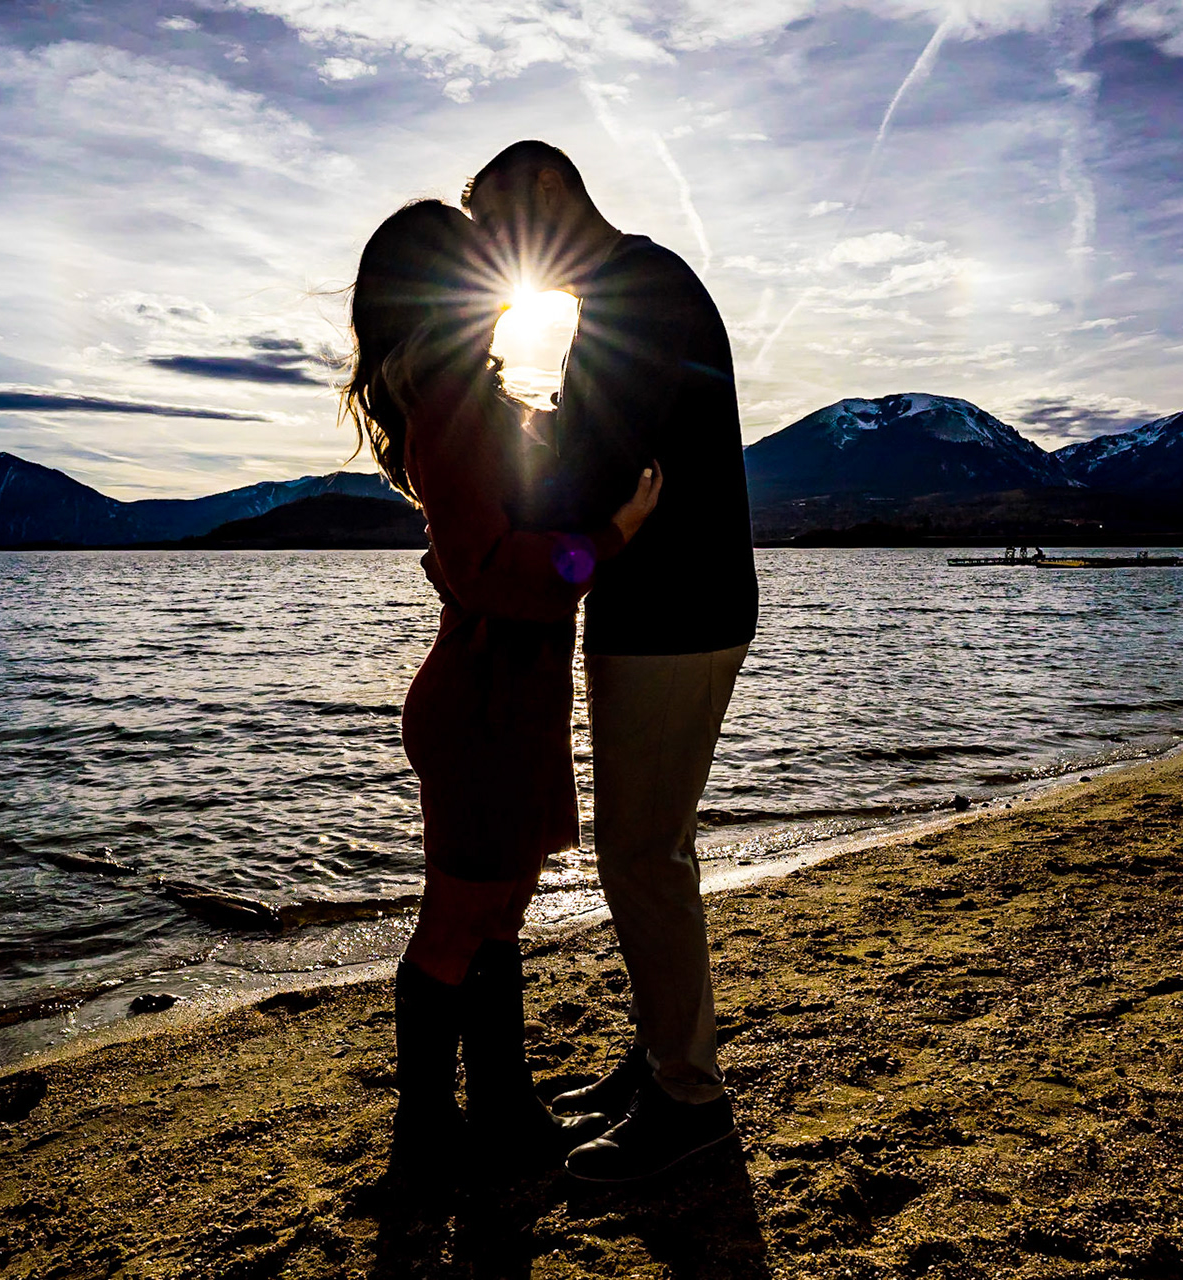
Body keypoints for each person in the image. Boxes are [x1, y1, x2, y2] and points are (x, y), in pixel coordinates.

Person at [341, 199, 663, 1180]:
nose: (494, 270)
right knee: (457, 916)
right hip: (481, 703)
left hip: (508, 697)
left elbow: (487, 541)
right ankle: (427, 1140)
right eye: (475, 257)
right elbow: (485, 562)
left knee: (498, 908)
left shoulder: (464, 393)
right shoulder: (444, 399)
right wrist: (611, 537)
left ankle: (504, 1111)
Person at [464, 141, 760, 1183]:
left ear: (550, 189)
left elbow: (603, 462)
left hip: (678, 612)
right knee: (645, 847)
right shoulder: (627, 293)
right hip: (661, 608)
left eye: (499, 223)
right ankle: (660, 1059)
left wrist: (503, 524)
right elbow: (597, 442)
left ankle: (688, 1097)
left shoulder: (640, 288)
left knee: (643, 854)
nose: (498, 248)